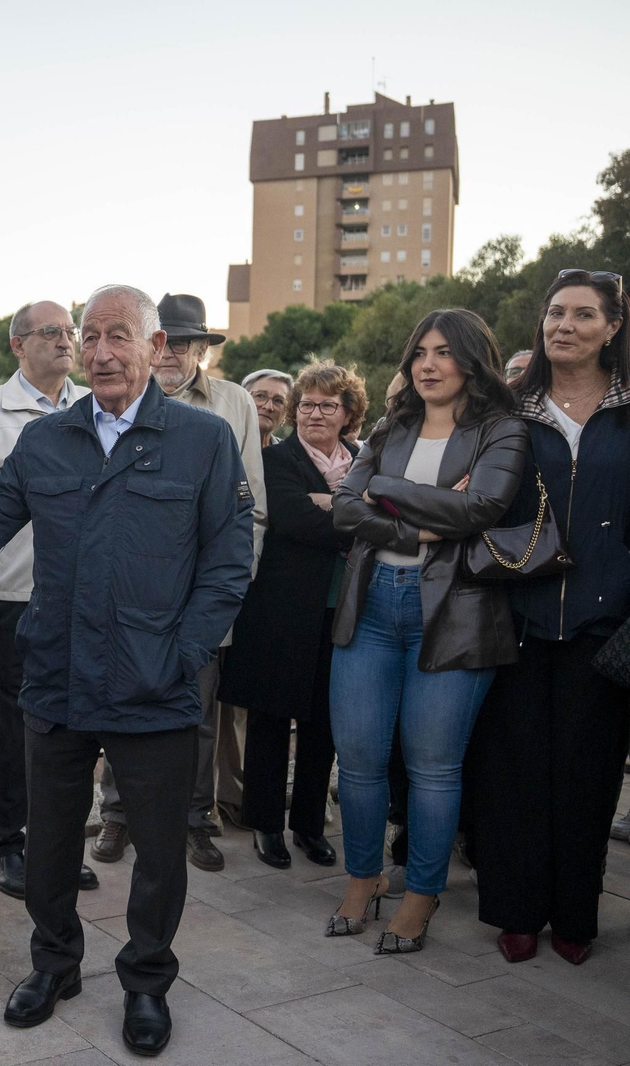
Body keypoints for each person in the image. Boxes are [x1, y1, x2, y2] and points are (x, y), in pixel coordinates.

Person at [0, 284, 253, 1054]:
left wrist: (183, 654)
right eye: (88, 337)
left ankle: (147, 981)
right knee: (52, 845)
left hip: (154, 688)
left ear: (156, 349)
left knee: (159, 854)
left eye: (118, 335)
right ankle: (54, 965)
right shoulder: (47, 441)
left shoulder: (203, 441)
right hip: (57, 682)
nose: (99, 352)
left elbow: (229, 566)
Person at [326, 308, 526, 955]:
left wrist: (386, 493)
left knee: (434, 768)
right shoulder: (392, 424)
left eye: (444, 352)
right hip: (372, 603)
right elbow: (346, 509)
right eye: (420, 353)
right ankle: (363, 878)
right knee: (356, 760)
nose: (428, 365)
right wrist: (419, 519)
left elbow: (482, 508)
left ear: (472, 361)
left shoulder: (501, 429)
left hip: (457, 612)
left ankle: (420, 894)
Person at [467, 269, 630, 966]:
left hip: (604, 626)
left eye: (584, 315)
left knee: (588, 780)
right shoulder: (508, 409)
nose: (565, 325)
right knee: (515, 776)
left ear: (613, 328)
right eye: (556, 313)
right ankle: (516, 912)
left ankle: (573, 916)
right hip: (517, 620)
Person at [93, 293, 265, 874]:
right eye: (168, 341)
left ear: (199, 351)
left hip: (201, 601)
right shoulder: (117, 401)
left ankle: (195, 819)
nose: (173, 355)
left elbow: (252, 512)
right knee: (121, 703)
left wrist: (225, 596)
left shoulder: (232, 405)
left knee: (197, 715)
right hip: (129, 597)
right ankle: (117, 815)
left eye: (187, 343)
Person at [0, 300, 97, 898]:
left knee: (69, 731)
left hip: (77, 599)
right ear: (17, 344)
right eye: (51, 331)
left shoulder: (92, 408)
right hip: (9, 598)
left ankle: (55, 847)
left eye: (69, 332)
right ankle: (4, 845)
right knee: (9, 732)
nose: (65, 340)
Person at [221, 359, 367, 870]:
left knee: (323, 723)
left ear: (348, 413)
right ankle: (264, 825)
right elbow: (294, 519)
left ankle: (308, 824)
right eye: (306, 405)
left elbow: (385, 514)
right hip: (279, 612)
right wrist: (355, 513)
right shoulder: (275, 460)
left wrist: (331, 502)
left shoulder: (363, 460)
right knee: (269, 719)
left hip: (344, 613)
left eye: (328, 405)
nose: (314, 414)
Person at [243, 368, 295, 449]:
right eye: (260, 396)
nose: (268, 407)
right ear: (242, 399)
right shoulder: (224, 446)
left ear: (286, 413)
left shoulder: (289, 456)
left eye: (278, 401)